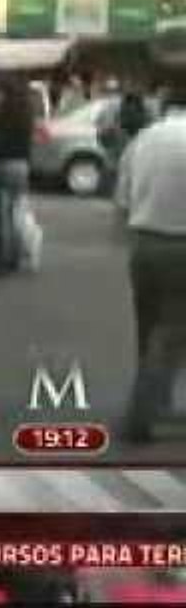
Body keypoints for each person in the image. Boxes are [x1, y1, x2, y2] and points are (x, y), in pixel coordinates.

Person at [115, 89, 186, 443]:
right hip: (181, 242)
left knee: (149, 329)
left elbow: (122, 199)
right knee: (172, 332)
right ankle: (141, 415)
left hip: (144, 242)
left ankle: (157, 397)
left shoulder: (144, 139)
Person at [0, 73, 34, 277]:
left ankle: (1, 262)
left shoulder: (0, 109)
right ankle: (14, 257)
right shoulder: (26, 110)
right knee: (15, 213)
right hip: (21, 165)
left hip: (0, 164)